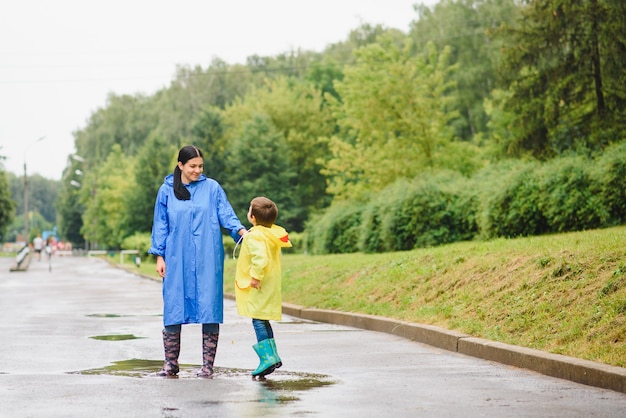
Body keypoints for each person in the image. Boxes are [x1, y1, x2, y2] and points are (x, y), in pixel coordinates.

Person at [149, 145, 247, 378]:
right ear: (180, 165)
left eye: (201, 166)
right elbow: (160, 224)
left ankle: (207, 366)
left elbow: (226, 213)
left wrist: (241, 230)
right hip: (176, 256)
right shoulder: (166, 191)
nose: (197, 170)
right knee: (174, 306)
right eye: (193, 166)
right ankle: (170, 364)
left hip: (207, 256)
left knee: (209, 306)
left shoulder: (212, 188)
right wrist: (160, 255)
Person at [235, 196, 292, 378]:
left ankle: (267, 358)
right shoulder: (270, 233)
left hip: (261, 283)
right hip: (271, 282)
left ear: (252, 217)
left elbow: (260, 258)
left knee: (258, 319)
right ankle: (272, 355)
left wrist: (255, 277)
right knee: (263, 318)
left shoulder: (255, 236)